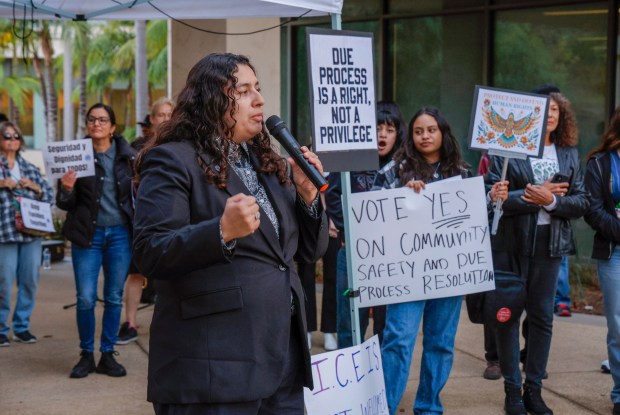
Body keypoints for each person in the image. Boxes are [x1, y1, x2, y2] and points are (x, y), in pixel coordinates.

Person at [131, 53, 328, 414]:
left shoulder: (266, 163)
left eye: (259, 89)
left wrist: (307, 197)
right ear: (212, 99)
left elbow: (305, 253)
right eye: (243, 91)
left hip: (280, 357)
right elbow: (150, 251)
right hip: (215, 365)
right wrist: (220, 232)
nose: (260, 100)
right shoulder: (173, 160)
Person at [374, 107, 507, 414]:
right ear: (412, 135)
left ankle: (429, 407)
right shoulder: (393, 170)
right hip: (406, 274)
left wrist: (490, 199)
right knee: (397, 341)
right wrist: (401, 197)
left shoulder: (462, 172)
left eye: (431, 130)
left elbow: (474, 222)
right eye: (419, 131)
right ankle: (385, 407)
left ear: (442, 133)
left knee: (441, 343)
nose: (425, 136)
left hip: (448, 275)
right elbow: (376, 213)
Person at [487, 91, 588, 415]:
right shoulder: (507, 150)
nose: (551, 114)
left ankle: (534, 390)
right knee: (506, 317)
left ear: (563, 116)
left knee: (543, 319)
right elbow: (493, 197)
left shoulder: (569, 153)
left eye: (556, 109)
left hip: (550, 244)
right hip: (511, 244)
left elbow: (582, 202)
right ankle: (512, 391)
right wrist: (534, 196)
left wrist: (553, 202)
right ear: (530, 114)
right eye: (544, 109)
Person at [57, 103, 137, 379]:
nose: (96, 124)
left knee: (114, 297)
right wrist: (66, 188)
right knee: (86, 299)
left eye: (103, 120)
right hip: (86, 236)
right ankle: (86, 355)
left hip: (119, 236)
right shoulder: (76, 156)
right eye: (92, 119)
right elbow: (65, 203)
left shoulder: (129, 156)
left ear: (113, 127)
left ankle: (107, 353)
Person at [325, 100, 406, 349]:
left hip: (392, 257)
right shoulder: (352, 159)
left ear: (397, 134)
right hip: (352, 254)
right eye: (378, 128)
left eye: (389, 129)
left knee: (386, 324)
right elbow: (333, 194)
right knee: (350, 322)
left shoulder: (405, 166)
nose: (382, 134)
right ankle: (352, 383)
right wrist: (348, 230)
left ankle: (381, 382)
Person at [117, 96, 175, 345]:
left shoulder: (183, 144)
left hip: (174, 218)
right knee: (136, 273)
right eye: (160, 115)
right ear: (152, 119)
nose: (165, 119)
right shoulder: (135, 147)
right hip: (140, 218)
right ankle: (130, 322)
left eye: (169, 114)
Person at [0, 121, 54, 346]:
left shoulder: (30, 168)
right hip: (5, 233)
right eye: (7, 136)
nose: (12, 140)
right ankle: (1, 328)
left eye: (16, 136)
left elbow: (50, 196)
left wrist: (35, 186)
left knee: (30, 280)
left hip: (31, 233)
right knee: (3, 281)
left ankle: (22, 326)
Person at [584, 106, 620, 415]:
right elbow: (592, 209)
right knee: (619, 325)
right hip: (614, 253)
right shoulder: (600, 163)